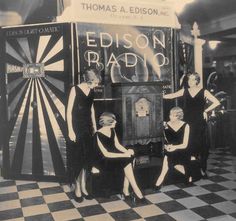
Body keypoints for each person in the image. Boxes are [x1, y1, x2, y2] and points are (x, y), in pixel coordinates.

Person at [164, 72, 220, 178]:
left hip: (199, 122)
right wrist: (160, 95)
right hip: (188, 123)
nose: (190, 81)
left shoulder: (204, 91)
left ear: (197, 81)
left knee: (202, 147)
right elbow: (171, 96)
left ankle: (202, 170)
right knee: (189, 146)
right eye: (189, 79)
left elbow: (216, 102)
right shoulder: (184, 91)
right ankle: (190, 172)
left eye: (193, 79)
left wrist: (205, 111)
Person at [95, 112, 146, 204]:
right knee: (127, 160)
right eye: (114, 120)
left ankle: (126, 189)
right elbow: (106, 154)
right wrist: (124, 155)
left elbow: (117, 145)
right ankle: (135, 190)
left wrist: (127, 151)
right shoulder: (97, 134)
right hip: (103, 160)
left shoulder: (112, 130)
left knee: (130, 158)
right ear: (108, 122)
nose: (116, 122)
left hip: (113, 155)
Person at [66, 69, 101, 202]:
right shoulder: (75, 89)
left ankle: (84, 186)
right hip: (76, 128)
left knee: (87, 158)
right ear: (89, 80)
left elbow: (91, 109)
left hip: (88, 128)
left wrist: (95, 127)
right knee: (78, 159)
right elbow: (68, 112)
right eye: (95, 82)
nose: (97, 85)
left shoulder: (91, 91)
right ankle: (78, 188)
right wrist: (70, 130)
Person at [155, 107, 191, 190]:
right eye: (170, 115)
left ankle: (189, 176)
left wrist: (174, 147)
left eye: (173, 115)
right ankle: (159, 182)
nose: (170, 117)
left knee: (171, 159)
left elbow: (185, 145)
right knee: (168, 157)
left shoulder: (186, 125)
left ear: (178, 116)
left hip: (182, 150)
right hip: (170, 150)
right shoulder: (166, 124)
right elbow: (164, 140)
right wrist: (166, 146)